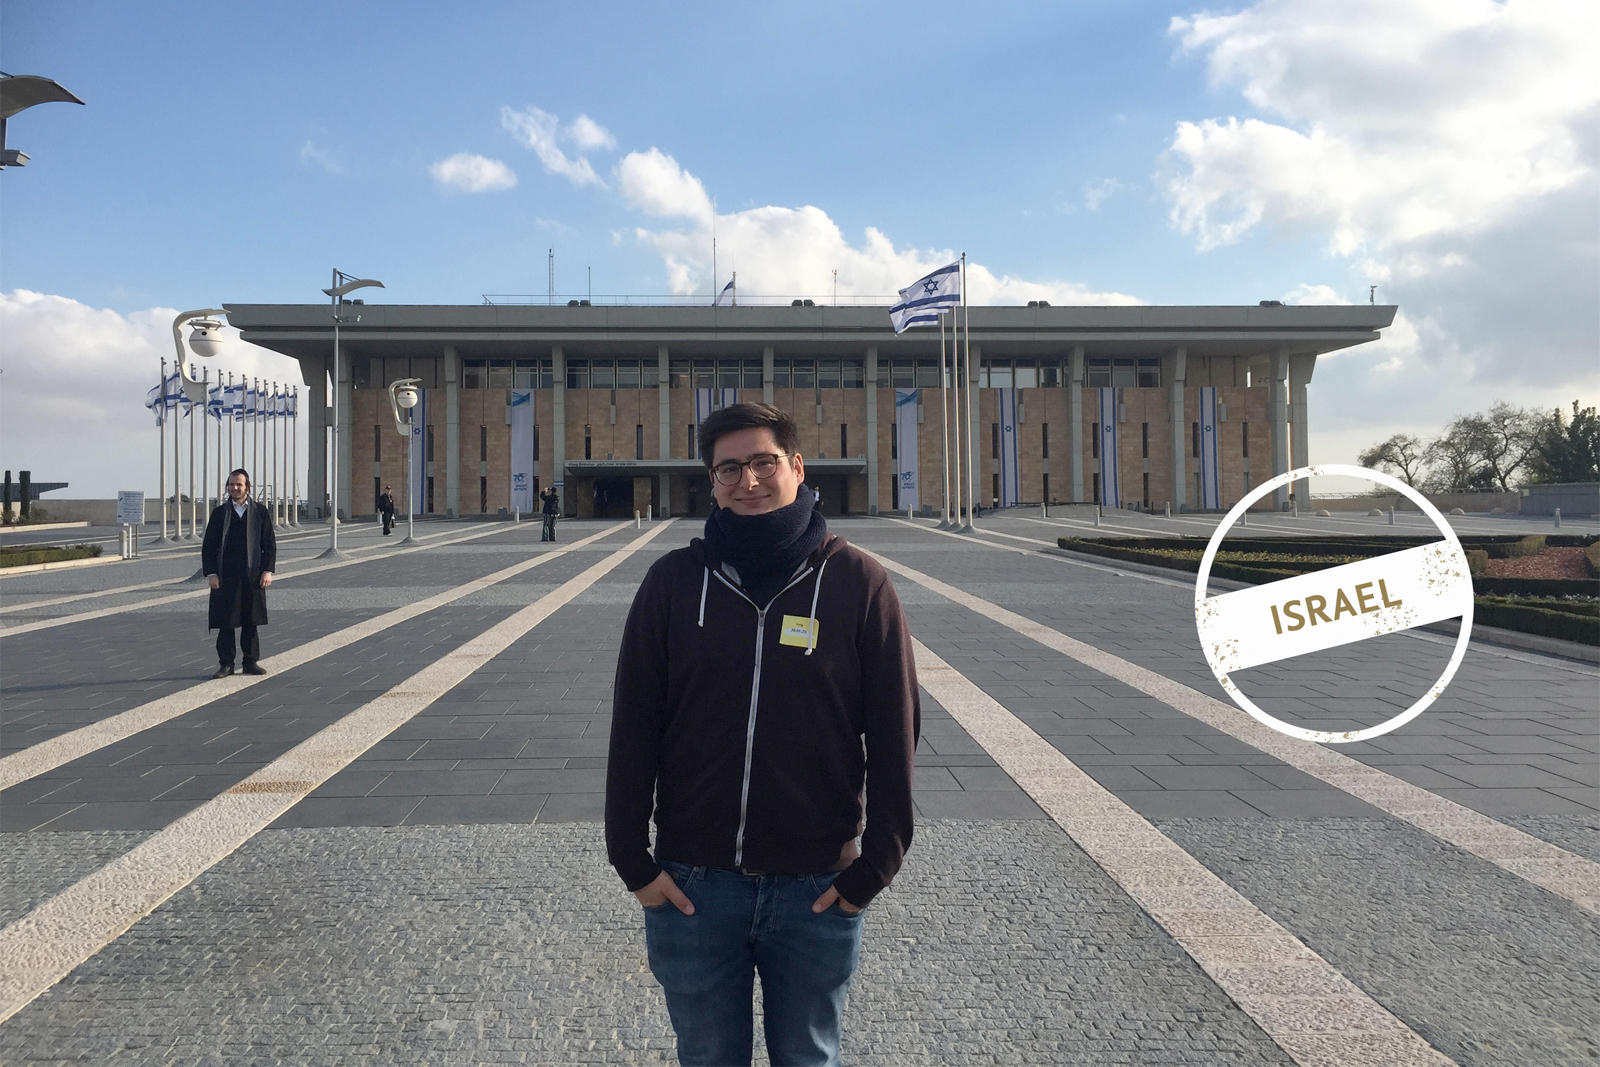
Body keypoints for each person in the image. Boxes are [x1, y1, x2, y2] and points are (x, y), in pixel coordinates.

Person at [606, 402, 919, 1066]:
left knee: (808, 1057)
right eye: (729, 468)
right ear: (712, 481)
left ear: (797, 468)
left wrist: (874, 868)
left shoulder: (858, 583)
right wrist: (632, 859)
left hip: (815, 889)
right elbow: (634, 725)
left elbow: (895, 733)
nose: (747, 481)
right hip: (695, 886)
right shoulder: (672, 584)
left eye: (762, 463)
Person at [202, 468, 276, 678]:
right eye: (231, 484)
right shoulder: (219, 513)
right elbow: (209, 546)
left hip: (253, 575)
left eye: (239, 484)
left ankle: (250, 661)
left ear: (247, 487)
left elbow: (269, 544)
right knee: (226, 621)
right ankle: (226, 664)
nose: (234, 488)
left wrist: (267, 571)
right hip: (225, 575)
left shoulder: (260, 512)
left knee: (250, 620)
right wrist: (211, 573)